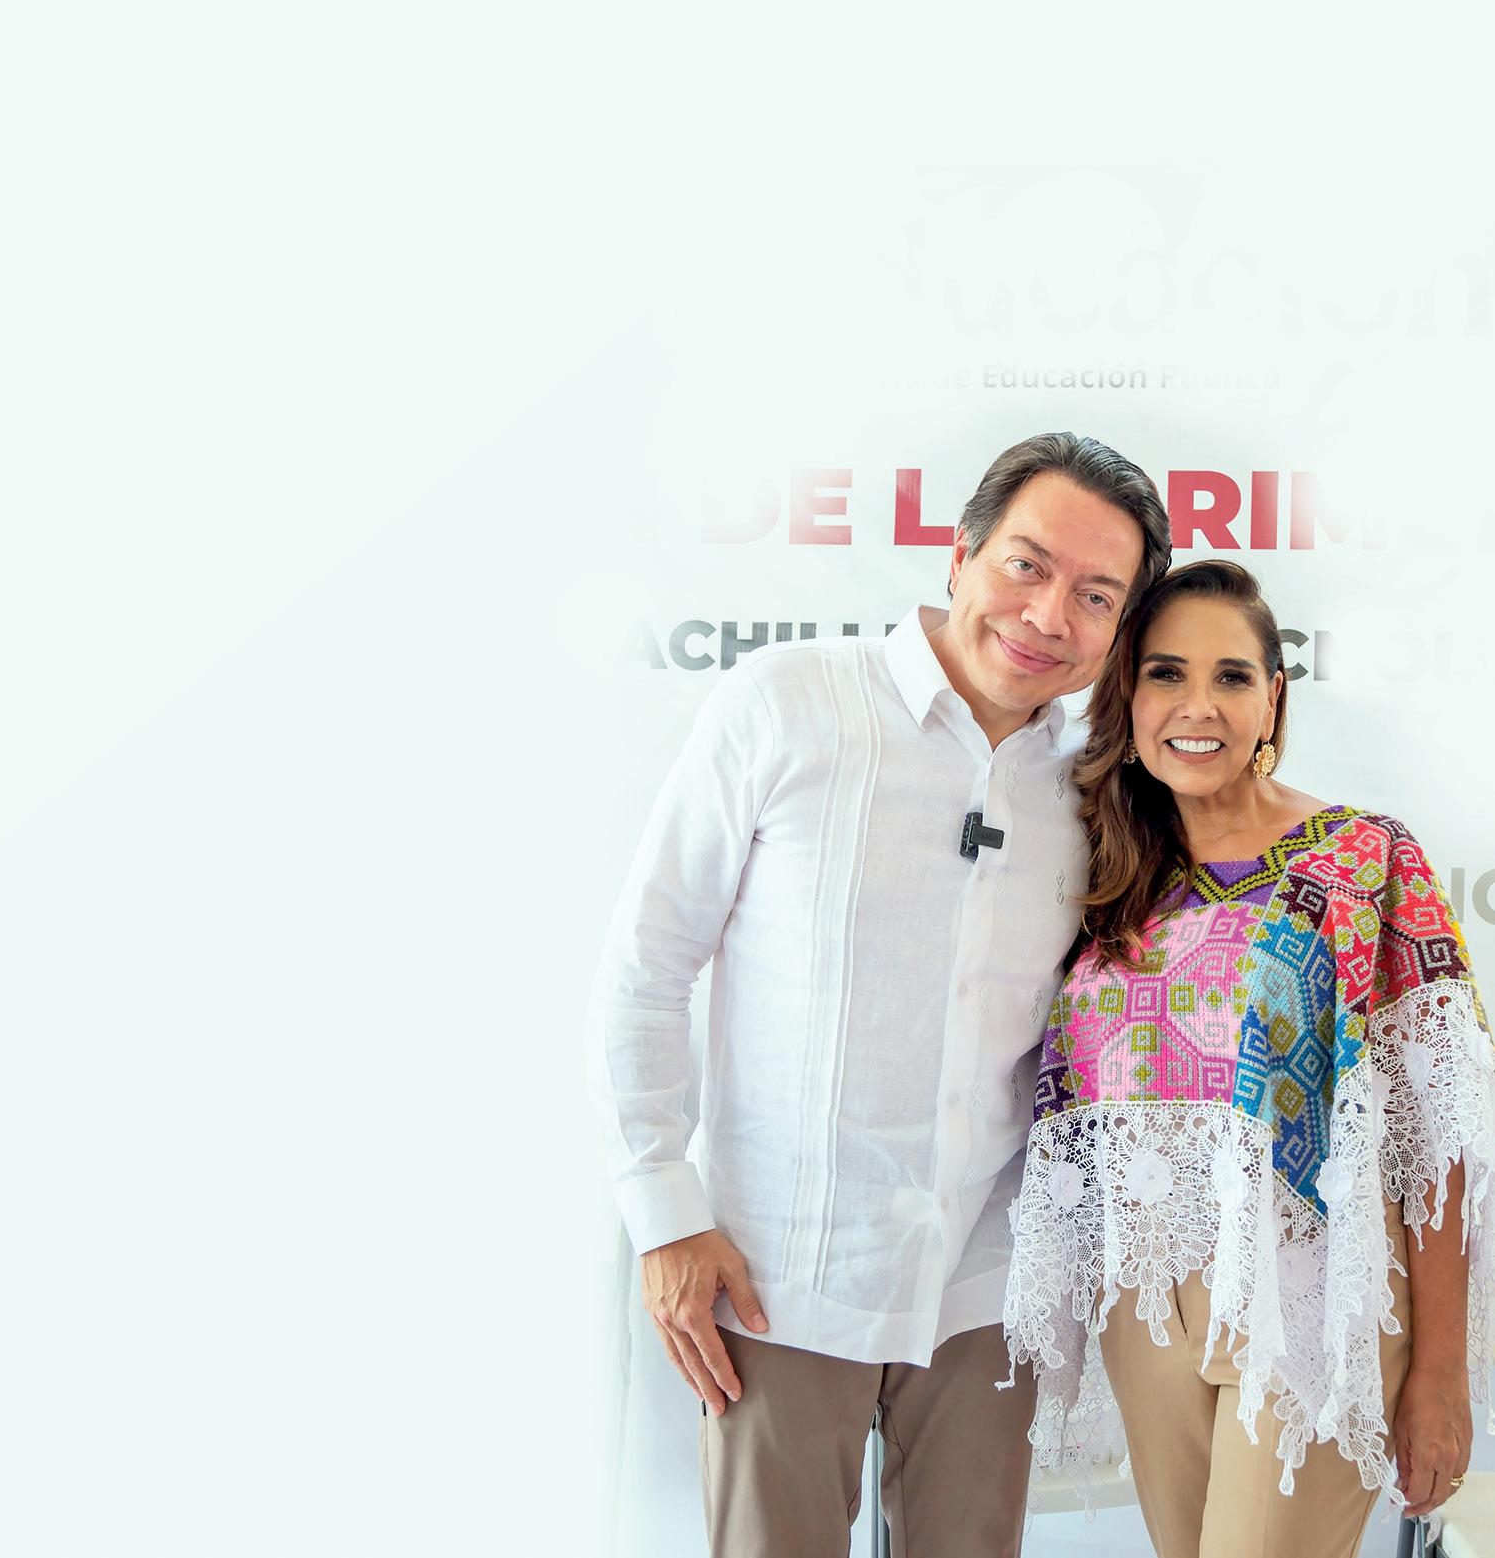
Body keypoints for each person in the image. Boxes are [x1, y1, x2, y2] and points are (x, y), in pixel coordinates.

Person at [587, 431, 1173, 1556]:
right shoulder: (787, 702)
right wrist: (662, 1211)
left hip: (985, 1286)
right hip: (779, 1272)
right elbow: (646, 964)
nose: (1047, 614)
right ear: (959, 554)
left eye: (1096, 596)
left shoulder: (1099, 785)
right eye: (1026, 564)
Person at [1001, 559, 1495, 1558]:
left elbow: (1435, 1136)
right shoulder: (1102, 873)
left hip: (1314, 1292)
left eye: (1230, 676)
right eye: (1165, 673)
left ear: (1272, 697)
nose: (1198, 705)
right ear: (1128, 697)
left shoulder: (1366, 859)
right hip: (1146, 1301)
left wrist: (1441, 1369)